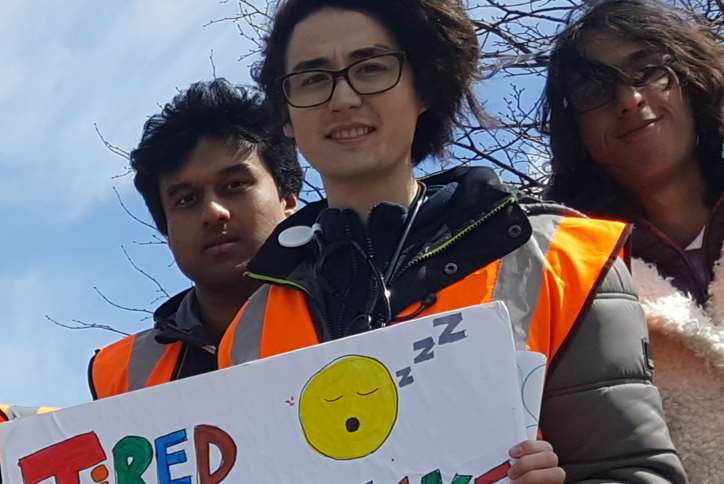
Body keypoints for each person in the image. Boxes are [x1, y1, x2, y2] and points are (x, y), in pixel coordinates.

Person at [217, 0, 686, 482]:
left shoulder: (563, 259)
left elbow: (635, 471)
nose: (343, 97)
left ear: (424, 88)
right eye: (313, 78)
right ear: (287, 117)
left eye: (372, 67)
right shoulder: (248, 333)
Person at [540, 0, 724, 479]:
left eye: (647, 70)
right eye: (594, 90)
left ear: (691, 79)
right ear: (574, 130)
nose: (629, 98)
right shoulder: (567, 277)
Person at [88, 79, 302, 399]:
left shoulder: (360, 306)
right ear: (166, 231)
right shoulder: (121, 375)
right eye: (186, 200)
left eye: (234, 185)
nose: (213, 212)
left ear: (287, 199)